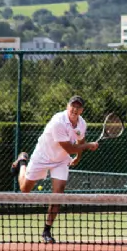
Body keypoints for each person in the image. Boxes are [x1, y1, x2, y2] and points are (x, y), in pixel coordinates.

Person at [10, 95, 97, 243]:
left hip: (61, 160)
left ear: (82, 110)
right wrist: (88, 146)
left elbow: (80, 141)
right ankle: (22, 161)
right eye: (72, 106)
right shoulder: (58, 122)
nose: (75, 109)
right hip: (42, 156)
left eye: (78, 107)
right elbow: (70, 147)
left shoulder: (82, 124)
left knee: (59, 194)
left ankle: (46, 231)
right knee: (25, 190)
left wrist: (79, 157)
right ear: (67, 106)